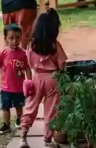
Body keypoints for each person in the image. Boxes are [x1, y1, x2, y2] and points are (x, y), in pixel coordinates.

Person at [19, 9, 67, 148]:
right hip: (53, 79)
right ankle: (47, 140)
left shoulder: (32, 45)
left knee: (30, 106)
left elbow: (29, 62)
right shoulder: (55, 45)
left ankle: (23, 136)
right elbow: (62, 64)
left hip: (37, 78)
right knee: (51, 110)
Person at [0, 23, 30, 136]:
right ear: (5, 39)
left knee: (19, 106)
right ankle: (6, 125)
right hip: (6, 88)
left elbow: (27, 69)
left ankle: (19, 120)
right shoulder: (2, 54)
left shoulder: (24, 54)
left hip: (19, 88)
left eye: (17, 38)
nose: (14, 41)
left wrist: (29, 82)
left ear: (21, 37)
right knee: (5, 107)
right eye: (11, 38)